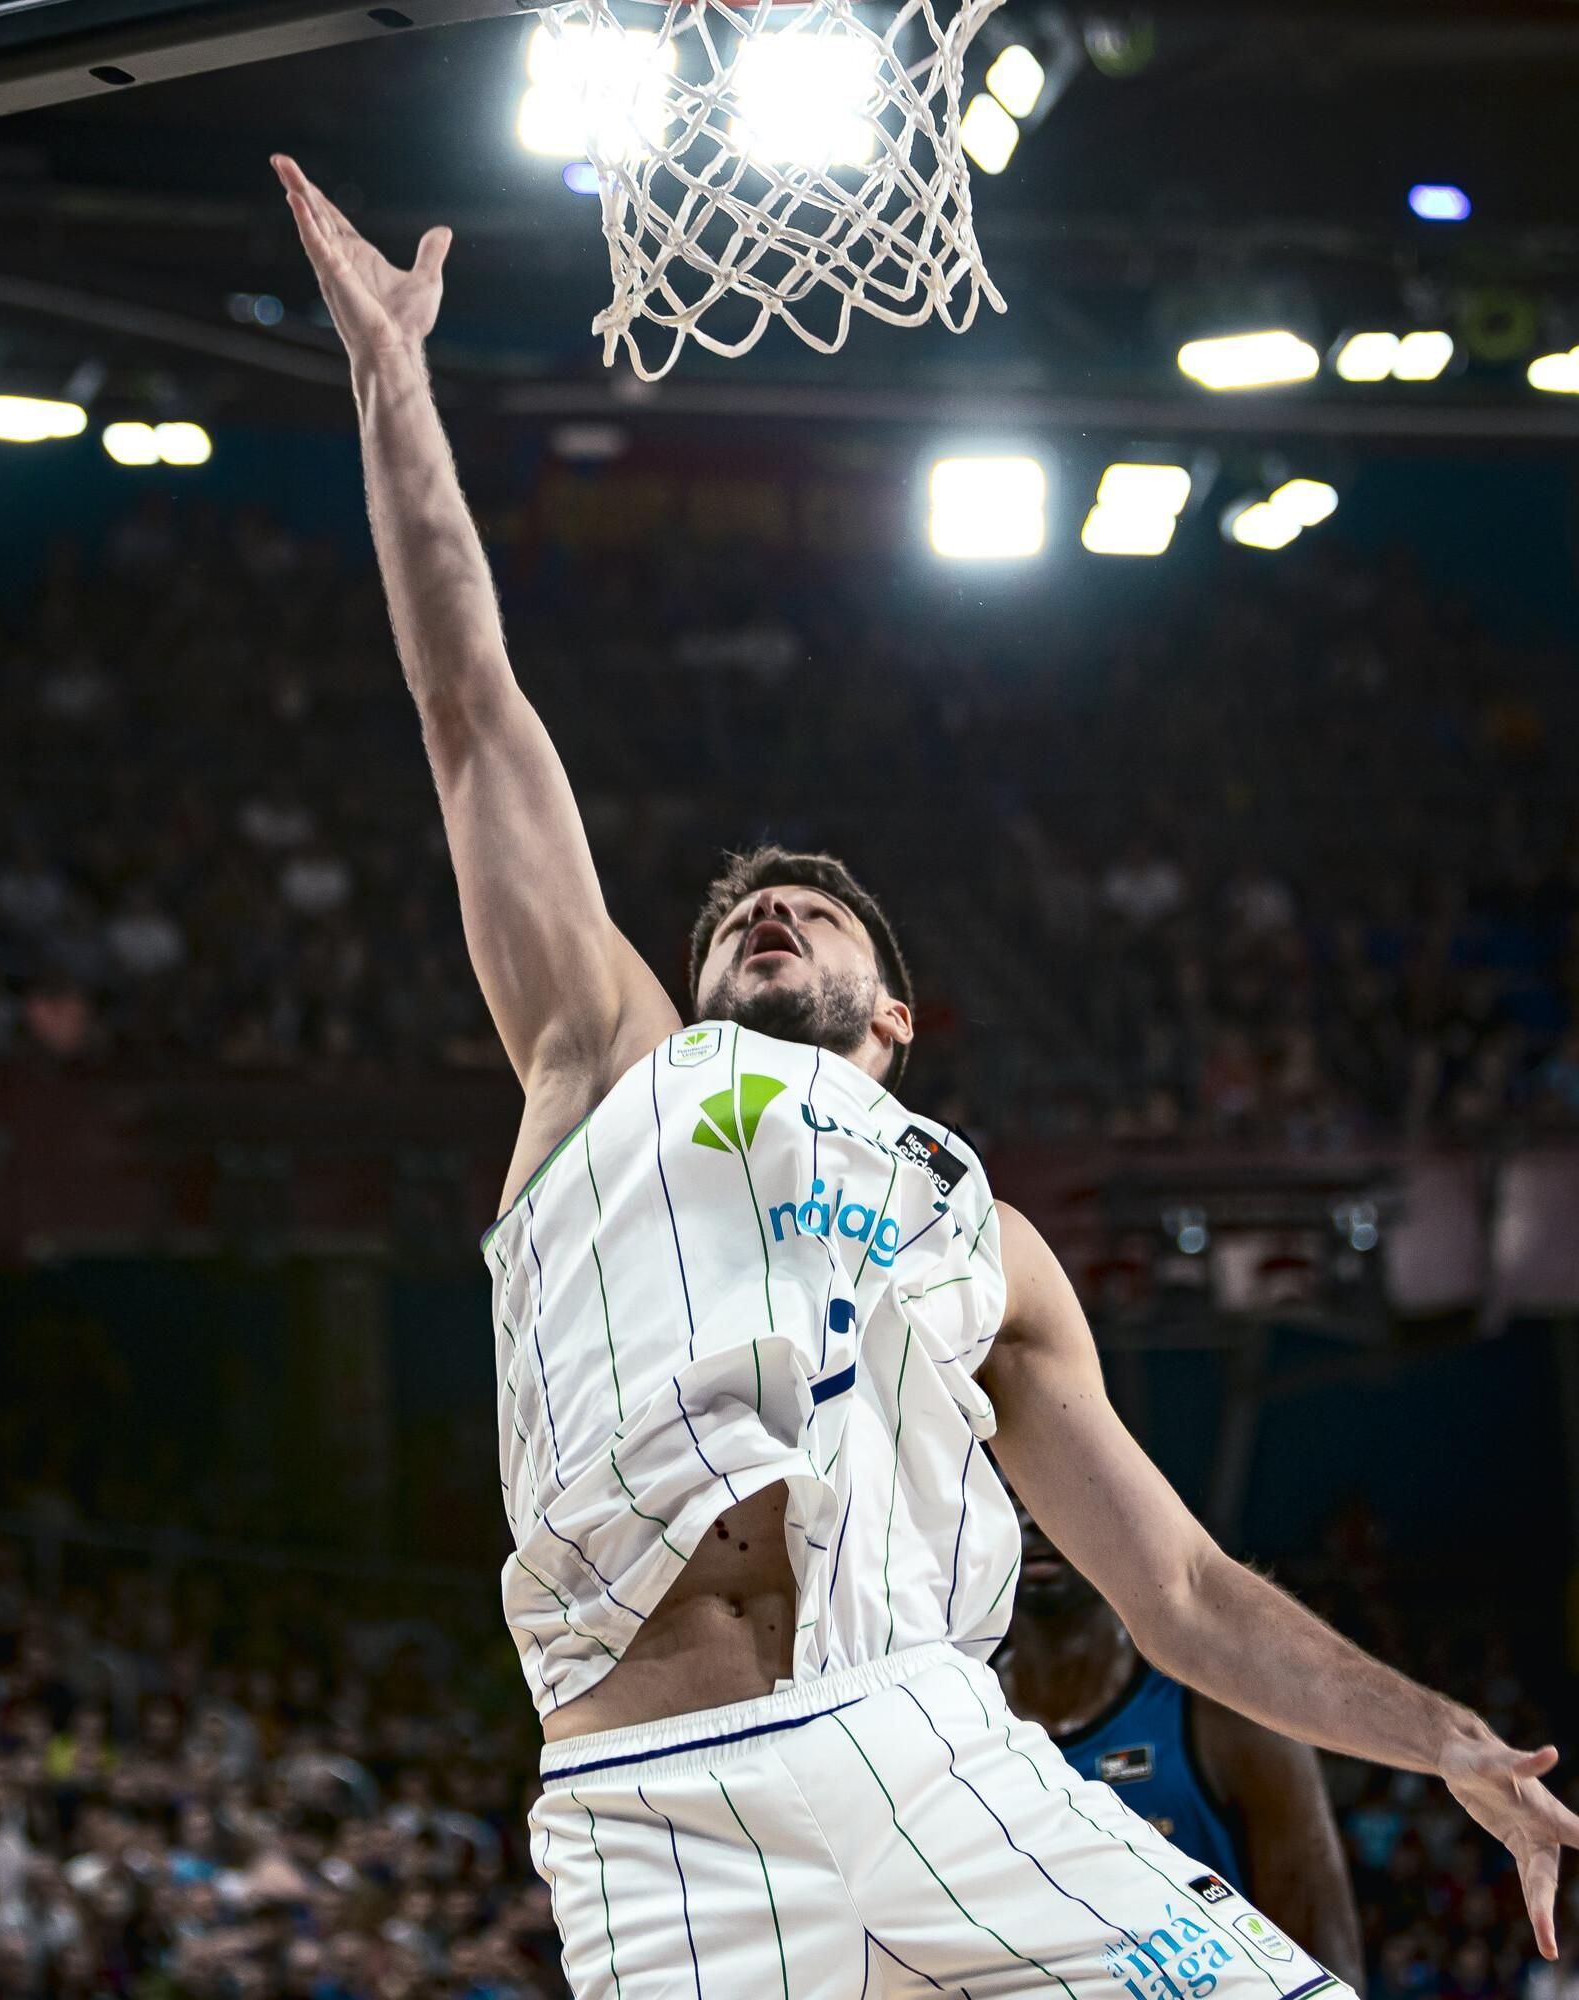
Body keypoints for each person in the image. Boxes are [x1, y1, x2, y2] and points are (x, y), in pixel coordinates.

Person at [274, 151, 1578, 1998]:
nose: (770, 914)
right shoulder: (607, 1058)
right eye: (744, 913)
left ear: (899, 1016)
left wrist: (1443, 1740)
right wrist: (394, 381)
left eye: (812, 910)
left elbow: (1185, 1596)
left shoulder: (986, 1234)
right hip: (654, 1814)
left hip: (932, 1754)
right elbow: (473, 717)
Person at [1002, 1517, 1366, 1990]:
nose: (1031, 1515)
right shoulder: (952, 1718)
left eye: (1040, 1490)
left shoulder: (1226, 1709)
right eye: (1008, 1495)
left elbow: (1326, 1957)